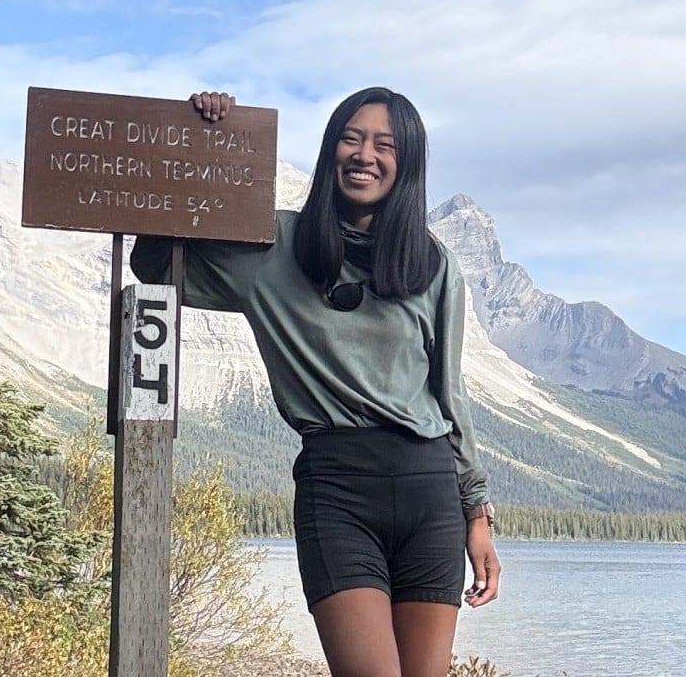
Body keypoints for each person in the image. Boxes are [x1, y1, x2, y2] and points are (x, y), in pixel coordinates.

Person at [131, 88, 500, 677]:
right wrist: (207, 138)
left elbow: (449, 400)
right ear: (331, 151)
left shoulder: (432, 265)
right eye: (351, 139)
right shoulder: (272, 247)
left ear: (407, 164)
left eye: (386, 145)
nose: (365, 155)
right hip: (339, 491)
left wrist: (475, 517)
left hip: (430, 492)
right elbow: (155, 264)